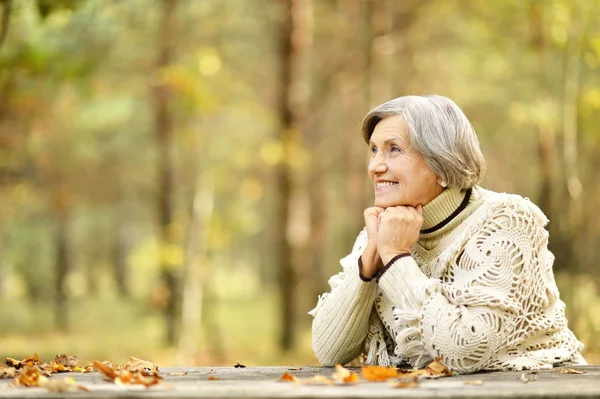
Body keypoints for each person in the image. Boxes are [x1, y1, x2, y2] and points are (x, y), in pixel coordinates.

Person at [309, 94, 586, 374]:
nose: (375, 166)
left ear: (441, 162)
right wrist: (369, 262)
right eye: (374, 150)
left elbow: (465, 350)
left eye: (394, 149)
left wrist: (395, 258)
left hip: (538, 387)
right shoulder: (383, 229)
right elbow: (330, 351)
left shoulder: (506, 219)